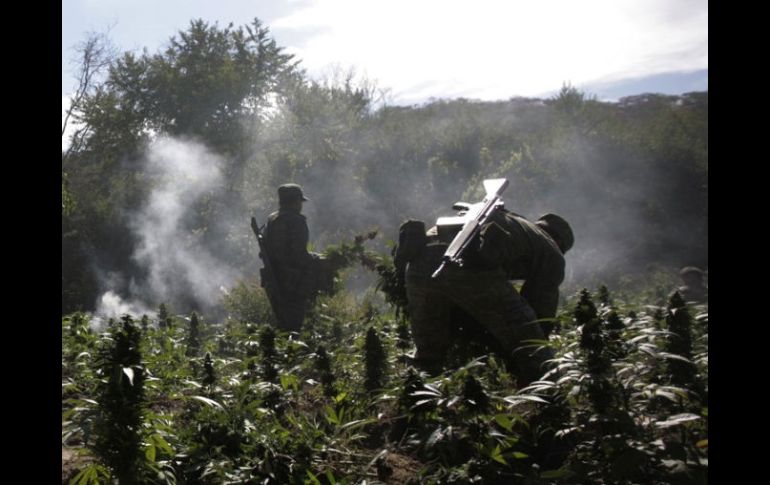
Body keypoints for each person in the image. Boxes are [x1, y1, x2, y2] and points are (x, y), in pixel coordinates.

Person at [398, 207, 573, 386]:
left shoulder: (515, 223)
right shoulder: (551, 248)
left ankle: (412, 394)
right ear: (559, 242)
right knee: (533, 349)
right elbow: (540, 314)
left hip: (419, 260)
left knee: (427, 356)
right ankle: (547, 395)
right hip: (467, 262)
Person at [259, 183, 320, 331]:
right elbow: (298, 254)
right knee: (294, 326)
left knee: (283, 325)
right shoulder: (296, 221)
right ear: (294, 201)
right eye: (299, 201)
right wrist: (316, 259)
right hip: (292, 282)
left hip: (274, 280)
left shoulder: (272, 219)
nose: (301, 205)